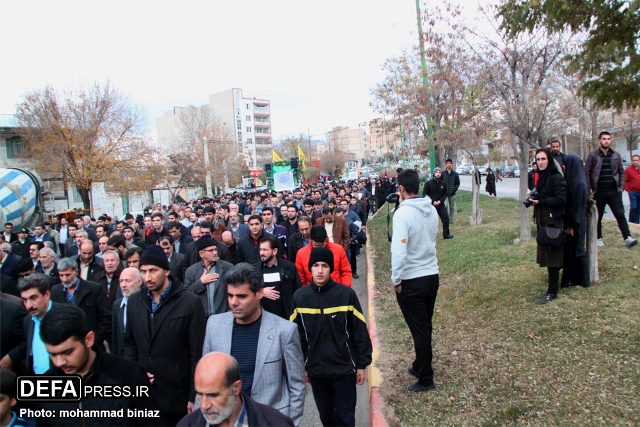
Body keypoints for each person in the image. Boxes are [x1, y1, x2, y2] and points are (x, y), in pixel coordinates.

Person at [202, 263, 305, 425]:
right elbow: (205, 378)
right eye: (230, 296)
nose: (234, 302)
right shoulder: (214, 325)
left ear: (259, 293)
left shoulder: (285, 331)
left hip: (269, 419)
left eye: (242, 296)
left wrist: (289, 423)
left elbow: (297, 385)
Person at [35, 304, 160, 427]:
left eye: (67, 352)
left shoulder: (129, 375)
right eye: (52, 354)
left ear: (88, 339)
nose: (59, 362)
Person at [123, 244, 206, 426]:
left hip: (177, 397)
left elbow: (197, 352)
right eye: (143, 271)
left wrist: (194, 396)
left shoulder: (189, 302)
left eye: (153, 270)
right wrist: (136, 373)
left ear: (167, 270)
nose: (147, 277)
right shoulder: (135, 301)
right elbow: (130, 344)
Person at [291, 247, 372, 427]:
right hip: (317, 371)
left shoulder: (346, 295)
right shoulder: (299, 298)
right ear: (310, 268)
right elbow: (296, 338)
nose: (320, 270)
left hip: (344, 369)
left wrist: (362, 364)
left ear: (331, 268)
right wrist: (302, 366)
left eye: (325, 266)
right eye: (316, 265)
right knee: (326, 417)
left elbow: (359, 331)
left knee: (345, 417)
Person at [391, 168, 440, 392]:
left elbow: (399, 251)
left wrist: (396, 279)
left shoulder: (402, 214)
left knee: (420, 330)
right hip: (431, 275)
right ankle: (420, 365)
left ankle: (426, 378)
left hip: (412, 279)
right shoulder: (431, 209)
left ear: (401, 188)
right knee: (424, 326)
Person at [177, 352, 294, 427]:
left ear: (236, 388)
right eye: (199, 394)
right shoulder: (186, 424)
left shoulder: (277, 423)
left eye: (213, 395)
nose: (204, 405)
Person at [527, 149, 567, 305]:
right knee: (548, 256)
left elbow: (561, 199)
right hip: (544, 221)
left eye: (543, 159)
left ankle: (552, 292)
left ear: (549, 160)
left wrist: (540, 202)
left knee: (553, 258)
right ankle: (552, 287)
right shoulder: (543, 177)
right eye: (538, 159)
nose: (540, 162)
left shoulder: (555, 177)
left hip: (553, 221)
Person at [585, 131, 638, 248]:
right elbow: (587, 172)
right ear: (599, 140)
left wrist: (621, 187)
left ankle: (627, 238)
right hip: (598, 191)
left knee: (620, 214)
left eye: (608, 139)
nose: (606, 141)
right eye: (604, 139)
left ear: (611, 140)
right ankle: (598, 238)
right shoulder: (593, 155)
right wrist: (590, 189)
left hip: (614, 191)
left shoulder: (616, 155)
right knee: (598, 216)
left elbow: (621, 172)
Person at [50, 258, 112, 350]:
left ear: (76, 272)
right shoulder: (55, 291)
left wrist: (96, 339)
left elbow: (106, 317)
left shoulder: (95, 289)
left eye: (67, 275)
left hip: (91, 345)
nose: (64, 279)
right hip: (66, 346)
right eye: (61, 275)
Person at [560, 154, 590, 289]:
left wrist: (572, 225)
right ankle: (573, 278)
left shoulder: (578, 184)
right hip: (574, 220)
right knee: (571, 251)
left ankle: (584, 281)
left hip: (576, 222)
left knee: (578, 250)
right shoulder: (575, 181)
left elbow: (576, 207)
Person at [184, 237, 233, 317]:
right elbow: (186, 295)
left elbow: (234, 293)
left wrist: (228, 314)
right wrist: (200, 282)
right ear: (201, 254)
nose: (215, 253)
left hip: (223, 317)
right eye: (211, 250)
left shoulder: (227, 268)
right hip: (201, 319)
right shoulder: (191, 271)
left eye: (215, 250)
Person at [16, 273, 55, 374]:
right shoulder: (27, 321)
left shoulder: (65, 315)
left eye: (33, 298)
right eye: (25, 300)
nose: (29, 305)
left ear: (46, 295)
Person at [258, 234, 302, 319]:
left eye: (265, 250)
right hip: (263, 317)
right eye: (260, 250)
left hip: (287, 315)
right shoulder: (254, 270)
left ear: (274, 251)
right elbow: (247, 291)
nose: (262, 253)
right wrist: (261, 292)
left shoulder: (289, 267)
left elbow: (298, 290)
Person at [111, 267, 142, 357]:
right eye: (121, 281)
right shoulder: (117, 305)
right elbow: (115, 337)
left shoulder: (147, 304)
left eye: (128, 281)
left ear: (139, 282)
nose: (123, 285)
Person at [423, 167, 454, 239]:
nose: (438, 174)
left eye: (440, 172)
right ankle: (428, 236)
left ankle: (446, 234)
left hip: (440, 204)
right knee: (429, 221)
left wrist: (440, 201)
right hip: (431, 205)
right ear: (434, 173)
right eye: (437, 172)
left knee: (445, 218)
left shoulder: (443, 183)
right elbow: (425, 194)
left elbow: (445, 194)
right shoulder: (428, 183)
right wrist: (432, 201)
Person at [442, 159, 460, 224]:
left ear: (451, 164)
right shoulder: (443, 174)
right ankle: (446, 219)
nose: (448, 164)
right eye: (447, 163)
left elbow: (457, 183)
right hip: (445, 193)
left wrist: (454, 189)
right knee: (445, 205)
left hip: (452, 193)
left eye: (449, 163)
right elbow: (441, 182)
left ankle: (451, 220)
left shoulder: (455, 174)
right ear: (446, 164)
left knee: (452, 207)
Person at [624, 154, 640, 224]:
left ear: (639, 161)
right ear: (631, 161)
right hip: (633, 192)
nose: (635, 162)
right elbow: (625, 181)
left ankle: (637, 222)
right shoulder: (628, 170)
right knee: (633, 207)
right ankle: (631, 221)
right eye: (633, 160)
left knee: (638, 208)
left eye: (636, 160)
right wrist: (628, 190)